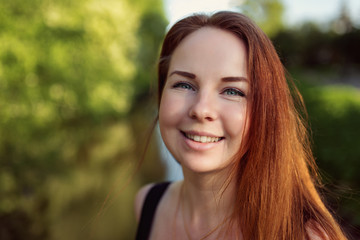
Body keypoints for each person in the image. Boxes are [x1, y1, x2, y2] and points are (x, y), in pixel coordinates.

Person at [134, 11, 347, 240]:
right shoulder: (147, 205)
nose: (201, 109)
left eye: (232, 91)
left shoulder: (304, 236)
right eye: (184, 85)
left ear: (265, 113)